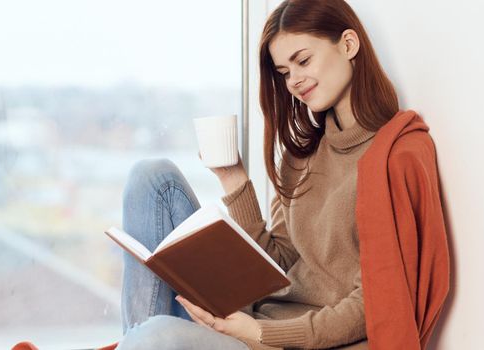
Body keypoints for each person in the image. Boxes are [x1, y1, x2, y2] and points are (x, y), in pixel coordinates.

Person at [116, 0, 450, 349]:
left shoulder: (396, 154)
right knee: (152, 177)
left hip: (290, 340)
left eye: (303, 61)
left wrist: (260, 333)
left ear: (349, 45)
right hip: (252, 317)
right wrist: (233, 180)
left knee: (153, 335)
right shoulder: (302, 158)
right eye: (284, 72)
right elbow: (277, 264)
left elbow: (376, 303)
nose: (294, 81)